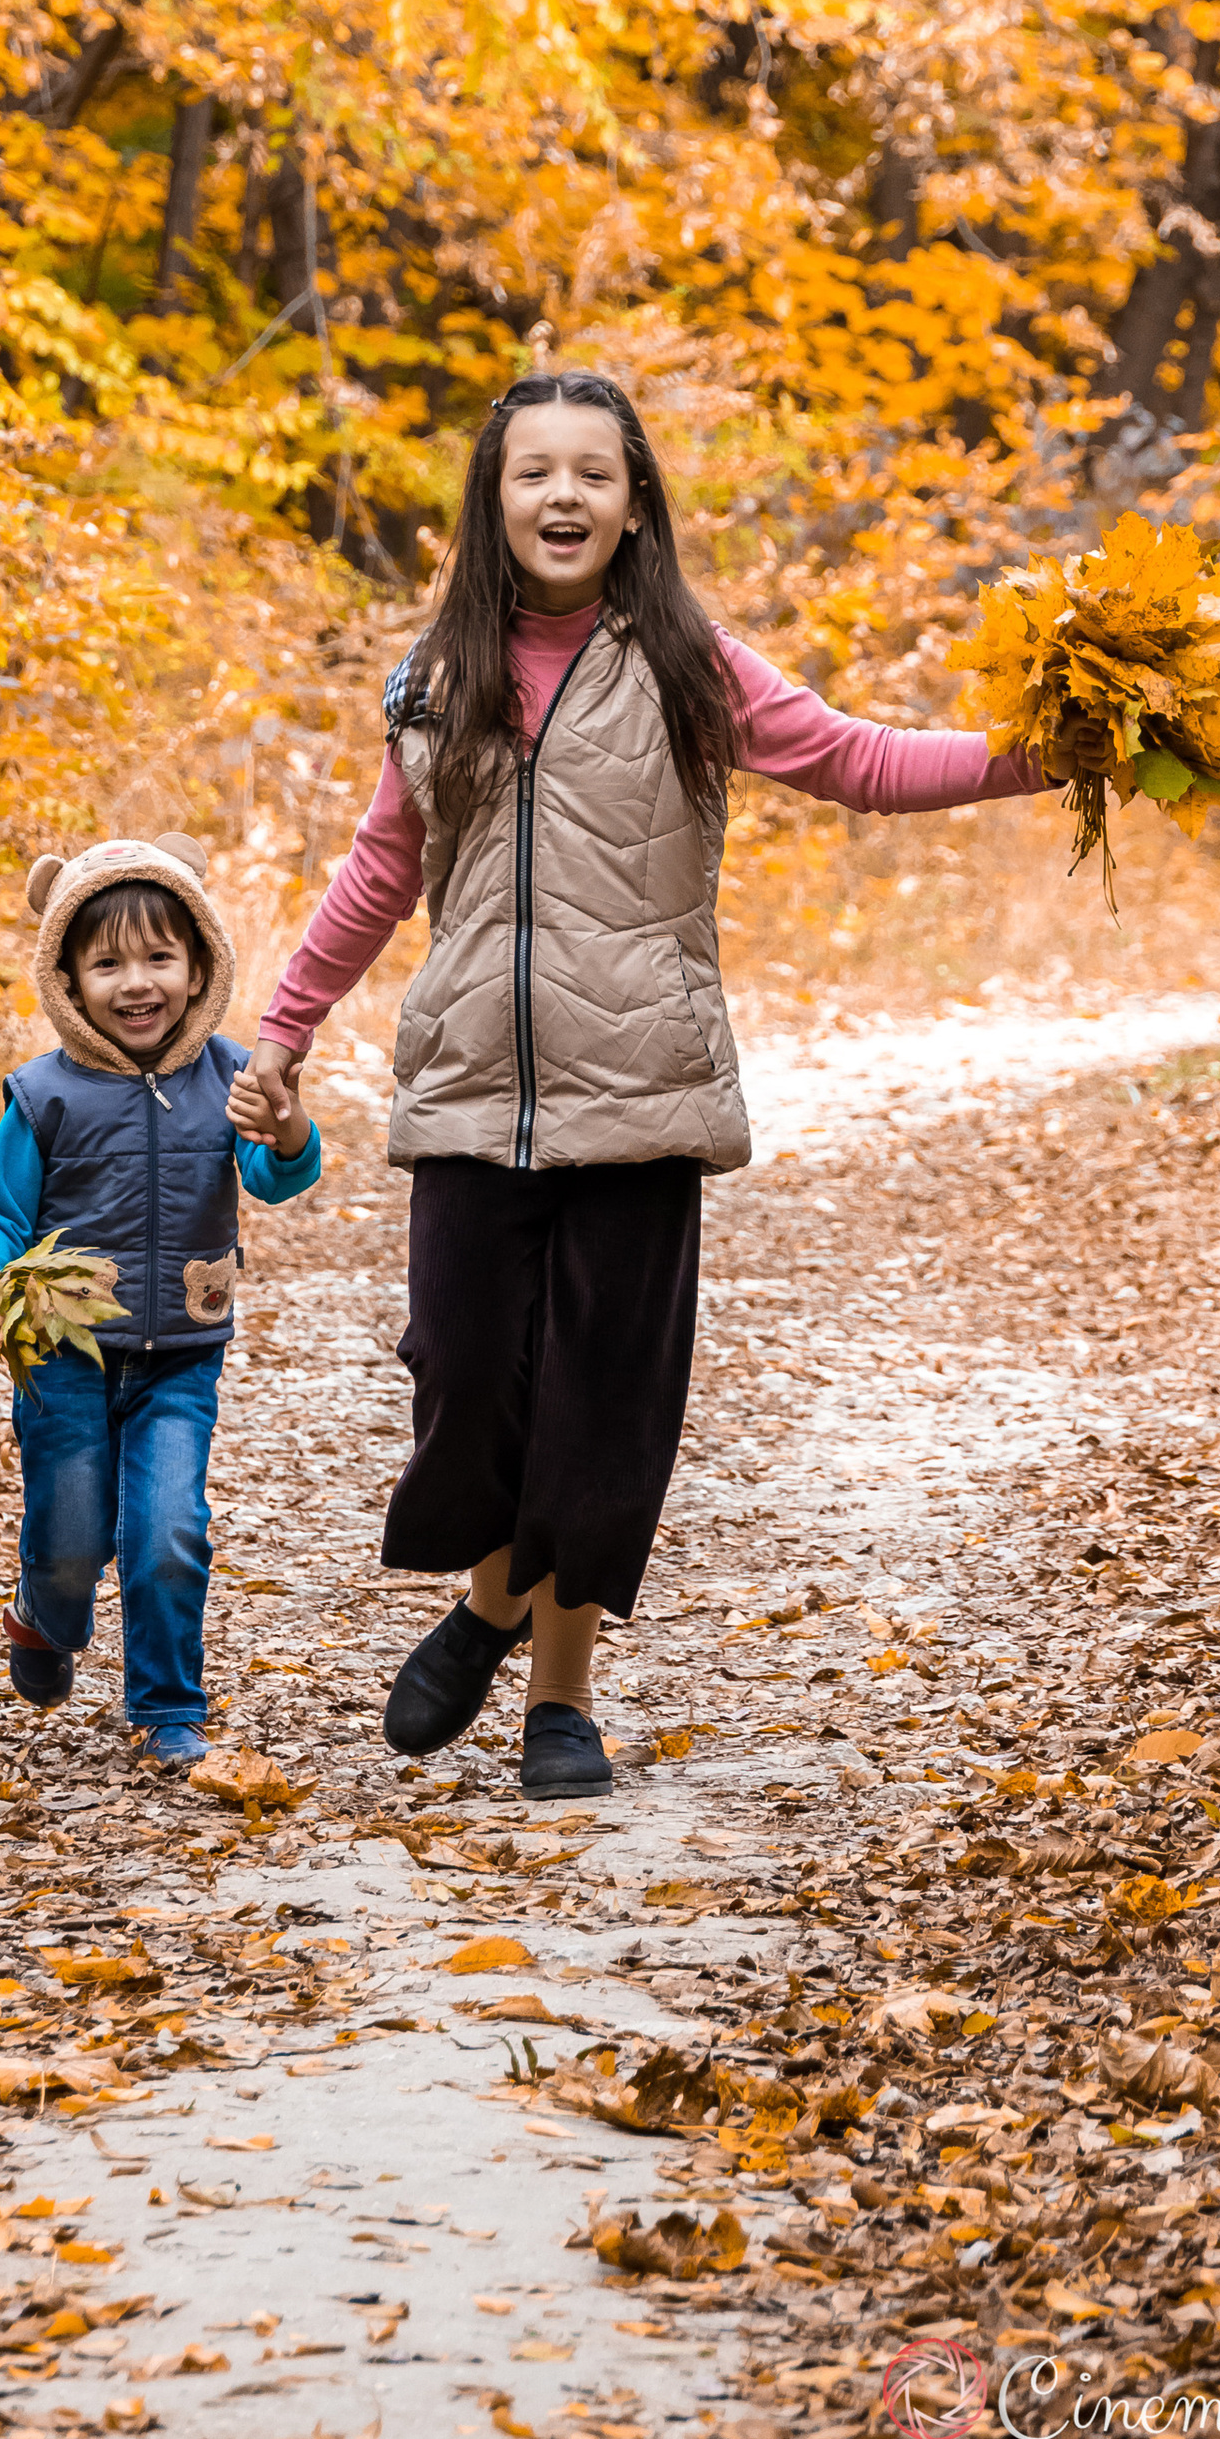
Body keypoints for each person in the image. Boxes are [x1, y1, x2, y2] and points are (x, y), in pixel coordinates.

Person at [243, 368, 1048, 1802]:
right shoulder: (438, 678)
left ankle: (555, 1693)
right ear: (494, 503)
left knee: (603, 1408)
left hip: (644, 1092)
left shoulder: (691, 667)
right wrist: (286, 1029)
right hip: (474, 1090)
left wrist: (1039, 758)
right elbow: (383, 867)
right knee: (464, 1380)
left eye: (594, 475)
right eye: (534, 473)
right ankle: (489, 1597)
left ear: (633, 505)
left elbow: (862, 760)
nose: (564, 496)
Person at [0, 830, 321, 1769]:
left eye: (160, 956)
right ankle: (46, 1611)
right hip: (64, 1359)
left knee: (168, 1531)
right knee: (71, 1534)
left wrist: (287, 1129)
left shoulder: (229, 1078)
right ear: (68, 981)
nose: (137, 983)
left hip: (182, 1356)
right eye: (107, 963)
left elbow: (275, 1177)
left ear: (199, 966)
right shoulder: (46, 1096)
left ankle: (167, 1708)